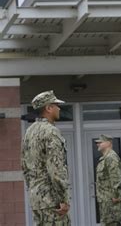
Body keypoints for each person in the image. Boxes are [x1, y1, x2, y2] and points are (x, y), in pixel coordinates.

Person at [21, 90, 70, 225]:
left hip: (37, 199)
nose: (59, 108)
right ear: (48, 108)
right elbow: (56, 169)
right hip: (52, 201)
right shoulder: (51, 131)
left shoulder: (29, 132)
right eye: (55, 105)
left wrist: (33, 189)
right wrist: (63, 199)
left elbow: (24, 165)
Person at [95, 134, 121, 226]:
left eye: (100, 142)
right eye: (97, 142)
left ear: (108, 143)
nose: (97, 144)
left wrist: (115, 196)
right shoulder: (105, 158)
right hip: (106, 199)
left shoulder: (111, 157)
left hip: (111, 199)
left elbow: (116, 178)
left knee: (111, 223)